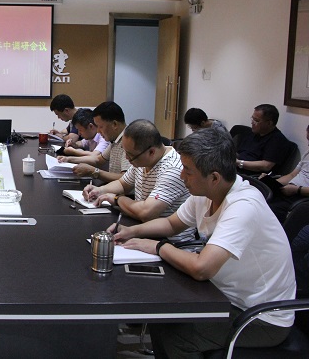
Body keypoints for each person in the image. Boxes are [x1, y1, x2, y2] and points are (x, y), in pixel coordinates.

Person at [111, 128, 296, 357]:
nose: (182, 176)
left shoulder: (243, 206)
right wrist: (131, 231)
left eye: (187, 171)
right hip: (222, 295)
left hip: (259, 316)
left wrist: (158, 247)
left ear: (214, 178)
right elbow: (171, 224)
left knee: (176, 335)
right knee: (163, 316)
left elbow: (202, 268)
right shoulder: (206, 194)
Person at [83, 119, 195, 243]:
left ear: (151, 152)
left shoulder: (172, 169)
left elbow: (146, 212)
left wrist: (117, 199)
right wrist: (100, 190)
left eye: (130, 155)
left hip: (169, 241)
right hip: (143, 230)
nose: (127, 158)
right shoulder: (142, 159)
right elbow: (123, 183)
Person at [64, 101, 131, 182]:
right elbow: (98, 160)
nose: (98, 131)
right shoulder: (115, 140)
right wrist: (68, 159)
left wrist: (94, 171)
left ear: (114, 124)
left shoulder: (129, 141)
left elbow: (126, 178)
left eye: (100, 127)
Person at [265, 124, 309, 222]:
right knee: (258, 197)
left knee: (267, 210)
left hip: (301, 198)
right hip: (289, 190)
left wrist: (297, 190)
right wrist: (271, 182)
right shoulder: (308, 152)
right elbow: (292, 175)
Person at [236, 104, 289, 175]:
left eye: (256, 120)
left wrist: (238, 163)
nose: (252, 122)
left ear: (269, 123)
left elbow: (266, 166)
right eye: (252, 119)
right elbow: (240, 153)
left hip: (251, 175)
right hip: (236, 169)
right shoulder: (253, 133)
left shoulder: (277, 140)